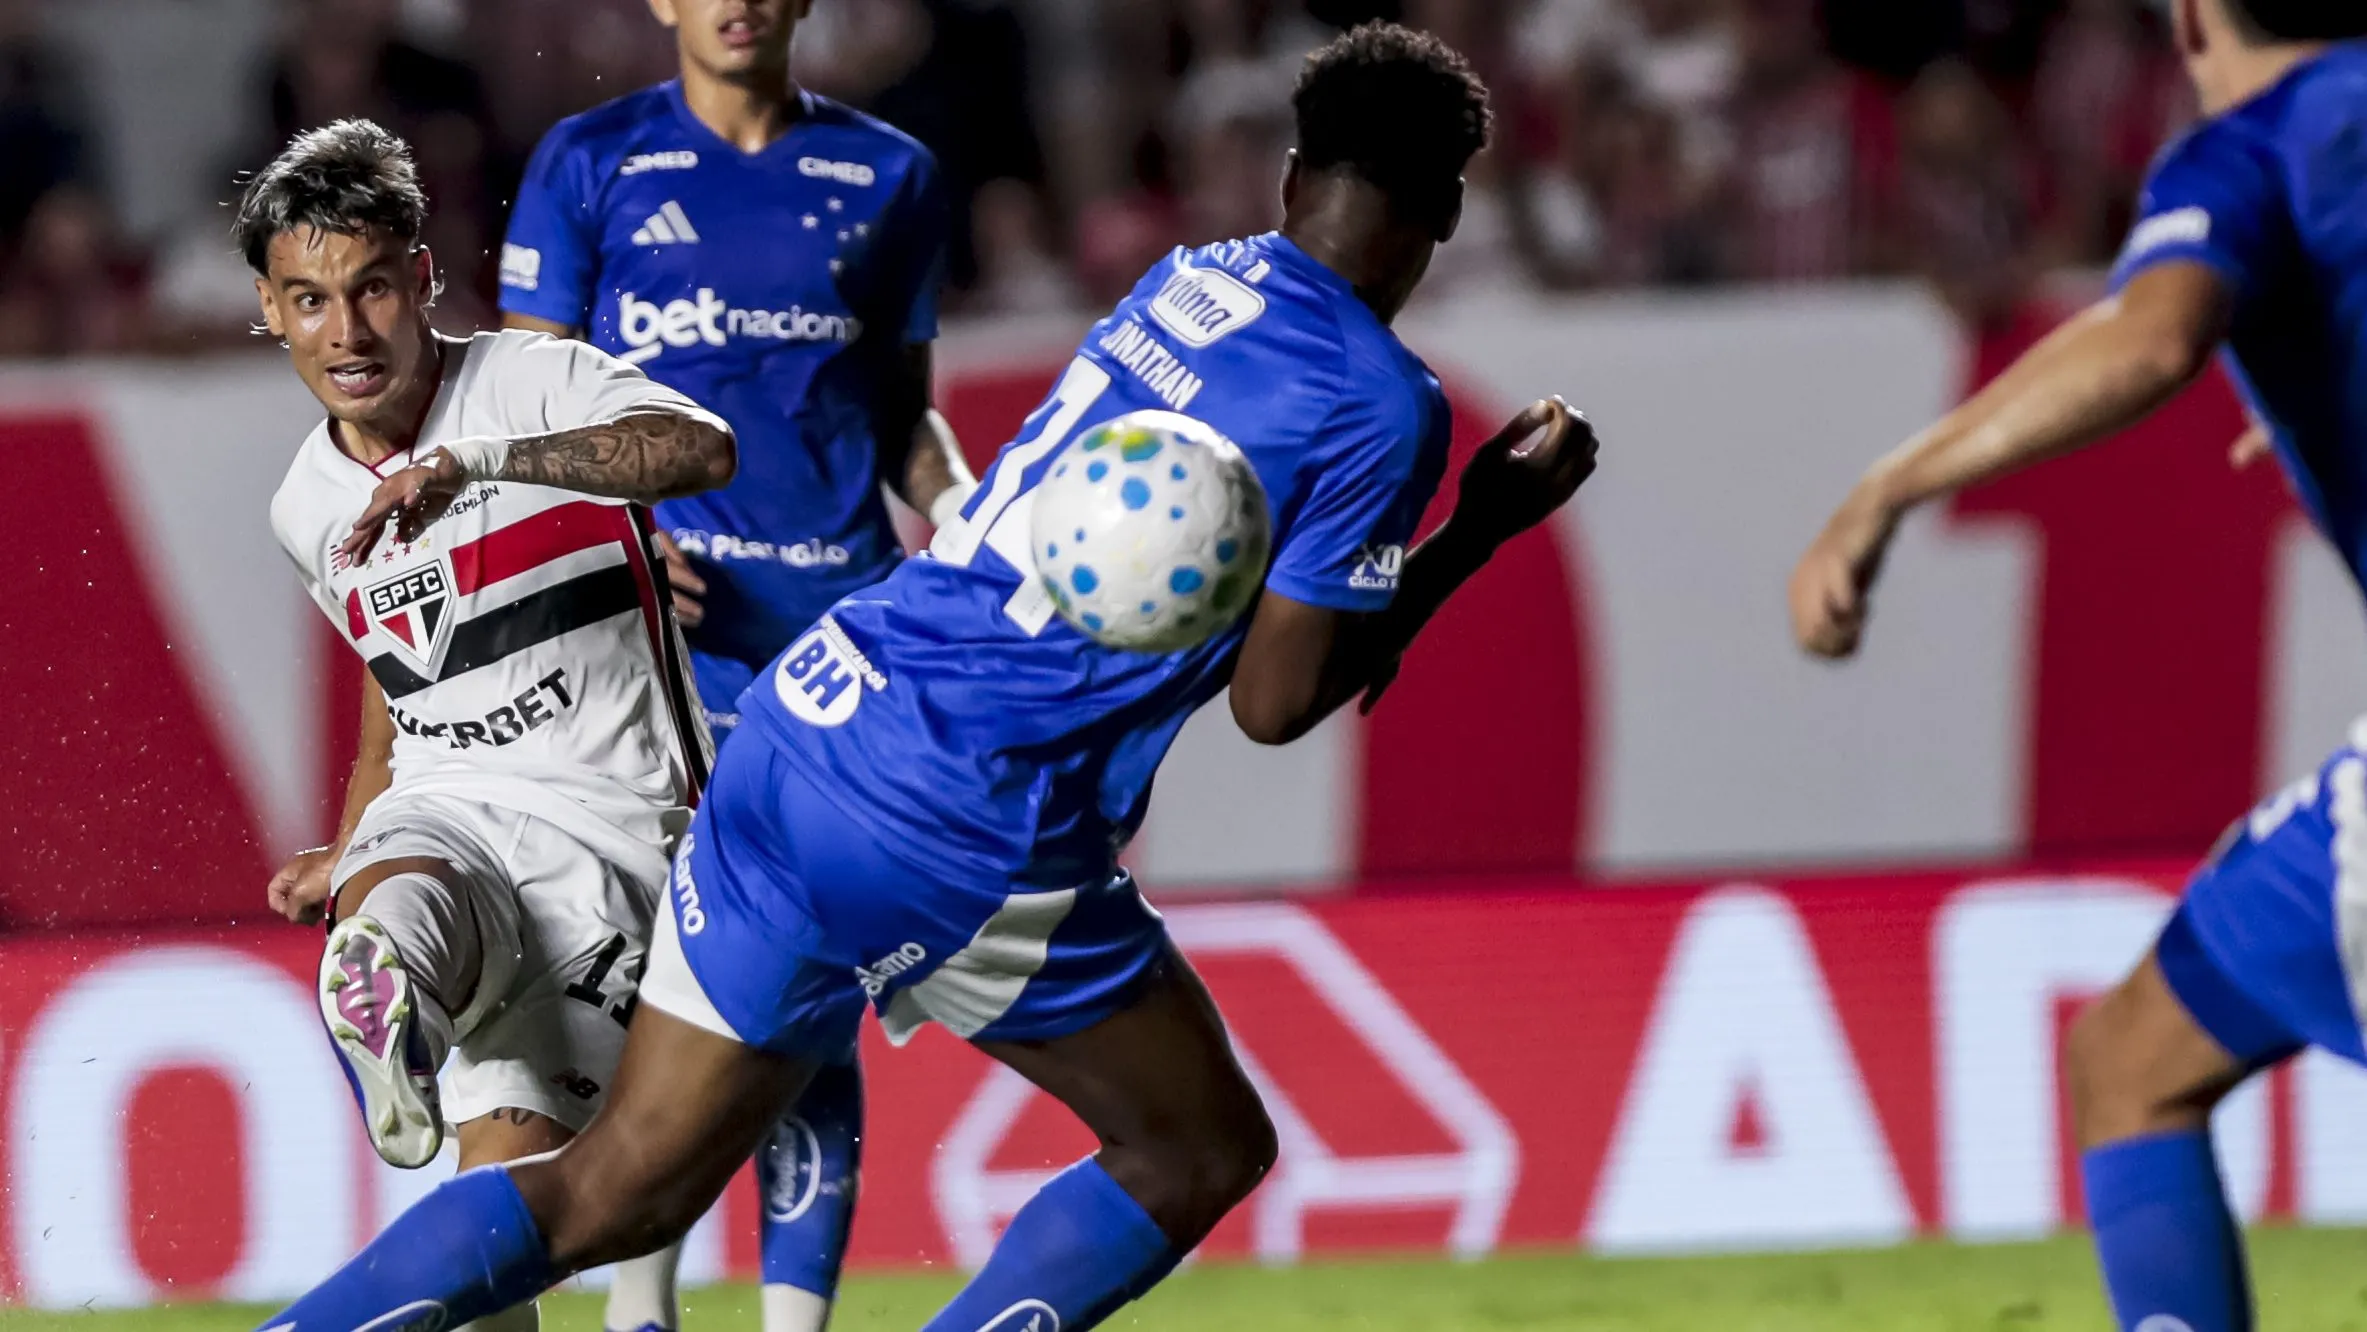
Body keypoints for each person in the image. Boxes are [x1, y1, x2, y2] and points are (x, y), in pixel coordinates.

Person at [256, 23, 1598, 1332]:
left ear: (1292, 177)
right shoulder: (1379, 402)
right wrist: (1476, 523)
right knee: (1191, 1149)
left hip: (809, 716)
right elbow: (1276, 701)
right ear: (1444, 213)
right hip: (967, 807)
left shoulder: (1189, 281)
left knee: (615, 1192)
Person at [1789, 5, 2367, 1329]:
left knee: (2127, 1069)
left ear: (2190, 15)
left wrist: (1884, 488)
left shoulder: (2246, 151)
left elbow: (2149, 338)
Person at [495, 2, 974, 1324]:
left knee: (811, 988)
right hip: (673, 645)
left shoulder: (890, 172)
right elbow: (526, 416)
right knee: (677, 985)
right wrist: (619, 535)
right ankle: (638, 1310)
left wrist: (979, 509)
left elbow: (898, 412)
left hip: (840, 641)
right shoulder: (588, 163)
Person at [249, 118, 735, 1332]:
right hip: (452, 802)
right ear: (270, 309)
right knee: (408, 875)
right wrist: (347, 840)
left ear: (422, 278)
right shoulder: (303, 504)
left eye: (370, 289)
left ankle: (393, 964)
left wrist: (485, 465)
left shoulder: (535, 377)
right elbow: (392, 690)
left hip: (616, 844)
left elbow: (701, 447)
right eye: (309, 300)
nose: (346, 333)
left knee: (493, 1250)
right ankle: (385, 969)